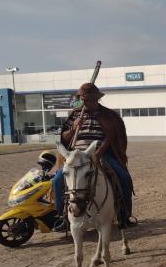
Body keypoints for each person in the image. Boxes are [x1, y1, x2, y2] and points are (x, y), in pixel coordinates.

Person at [53, 83, 134, 231]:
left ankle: (124, 215)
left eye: (89, 100)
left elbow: (111, 137)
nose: (86, 103)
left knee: (124, 177)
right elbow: (64, 138)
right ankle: (63, 217)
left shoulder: (108, 115)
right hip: (76, 154)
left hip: (102, 152)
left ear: (97, 99)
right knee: (58, 180)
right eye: (83, 100)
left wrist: (97, 154)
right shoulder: (75, 114)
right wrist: (73, 127)